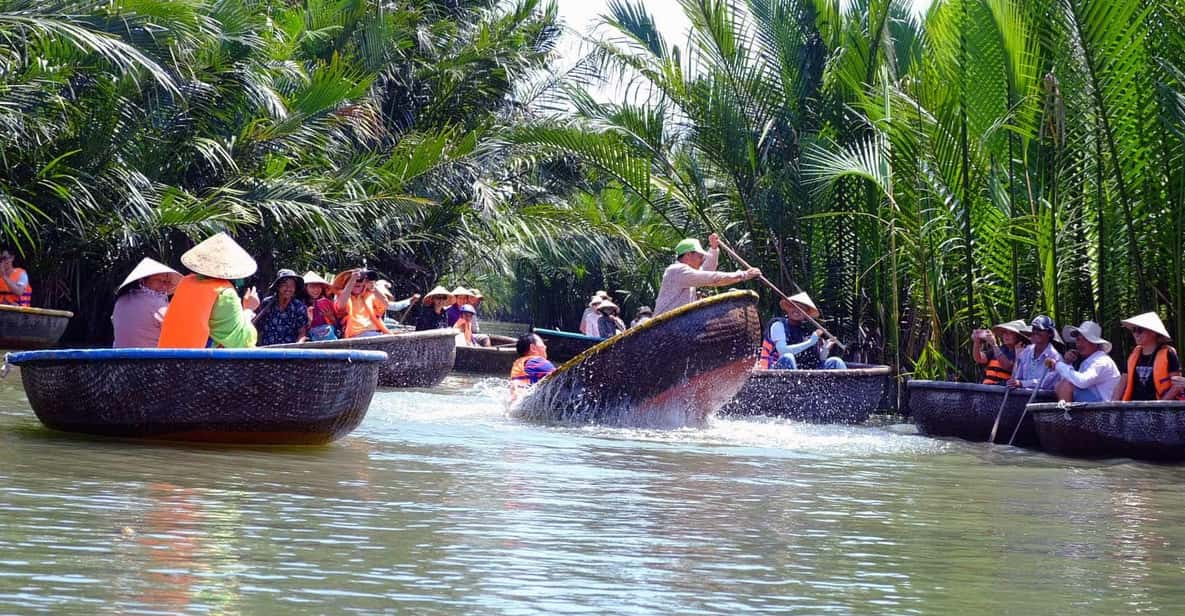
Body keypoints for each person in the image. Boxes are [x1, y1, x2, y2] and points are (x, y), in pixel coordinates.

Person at [158, 232, 260, 348]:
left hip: (172, 357)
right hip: (202, 362)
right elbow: (240, 341)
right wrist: (248, 310)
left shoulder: (185, 283)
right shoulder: (225, 294)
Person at [653, 233, 760, 315]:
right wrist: (743, 275)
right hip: (664, 327)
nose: (702, 260)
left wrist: (713, 248)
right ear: (689, 255)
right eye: (700, 256)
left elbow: (707, 271)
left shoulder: (686, 273)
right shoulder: (677, 271)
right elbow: (712, 279)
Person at [758, 292, 846, 370]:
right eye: (793, 306)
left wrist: (825, 349)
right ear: (788, 309)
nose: (796, 310)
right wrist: (811, 342)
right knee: (788, 358)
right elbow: (783, 351)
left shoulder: (807, 331)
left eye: (802, 308)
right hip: (777, 370)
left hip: (802, 374)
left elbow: (818, 359)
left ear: (806, 314)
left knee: (835, 361)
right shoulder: (778, 325)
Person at [112, 258, 182, 348]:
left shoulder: (120, 302)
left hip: (120, 360)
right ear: (142, 280)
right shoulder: (158, 305)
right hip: (153, 360)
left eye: (167, 282)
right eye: (159, 280)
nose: (164, 286)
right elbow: (180, 335)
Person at [1046, 320, 1121, 402]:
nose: (1079, 344)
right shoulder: (1087, 362)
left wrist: (1058, 365)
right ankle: (1067, 414)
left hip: (1103, 407)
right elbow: (1073, 380)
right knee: (1059, 385)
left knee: (1066, 385)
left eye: (1085, 340)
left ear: (1095, 343)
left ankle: (1065, 414)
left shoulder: (1101, 361)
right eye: (1078, 340)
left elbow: (1083, 381)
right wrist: (1068, 362)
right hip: (1093, 401)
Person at [1116, 312, 1181, 401]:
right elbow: (1122, 383)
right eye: (1133, 330)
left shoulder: (1168, 353)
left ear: (1153, 332)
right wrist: (1111, 405)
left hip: (1162, 409)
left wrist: (1160, 405)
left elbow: (1177, 386)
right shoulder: (1134, 355)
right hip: (1134, 408)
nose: (1136, 334)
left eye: (1140, 330)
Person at [253, 269, 309, 345]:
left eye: (292, 285)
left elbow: (302, 332)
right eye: (285, 285)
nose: (288, 288)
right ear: (278, 287)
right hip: (267, 350)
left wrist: (298, 345)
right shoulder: (267, 303)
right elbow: (257, 327)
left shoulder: (299, 307)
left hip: (289, 352)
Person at [333, 268, 392, 338]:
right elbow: (340, 305)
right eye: (356, 282)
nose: (358, 282)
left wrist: (372, 287)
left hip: (376, 333)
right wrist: (352, 279)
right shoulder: (342, 296)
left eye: (361, 281)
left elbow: (386, 303)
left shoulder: (370, 296)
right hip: (355, 336)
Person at [1008, 315, 1062, 390]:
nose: (1035, 332)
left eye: (1040, 329)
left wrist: (1022, 383)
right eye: (1034, 329)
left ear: (1050, 333)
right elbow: (1018, 376)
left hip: (1043, 398)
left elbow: (1047, 383)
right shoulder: (1026, 351)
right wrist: (1014, 382)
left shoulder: (1055, 357)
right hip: (1022, 395)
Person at [973, 320, 1028, 385]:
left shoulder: (1023, 351)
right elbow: (979, 359)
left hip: (1004, 390)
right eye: (1005, 332)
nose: (1006, 335)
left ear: (1019, 336)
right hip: (988, 388)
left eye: (1010, 333)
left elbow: (1008, 367)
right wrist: (977, 342)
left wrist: (994, 344)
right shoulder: (1001, 348)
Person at [509, 332, 556, 403]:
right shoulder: (536, 361)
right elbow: (558, 376)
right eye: (542, 343)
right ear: (533, 348)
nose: (545, 346)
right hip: (529, 403)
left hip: (518, 403)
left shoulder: (519, 363)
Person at [303, 272, 339, 341]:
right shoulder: (302, 305)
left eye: (318, 286)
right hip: (312, 338)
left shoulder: (327, 302)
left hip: (329, 336)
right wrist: (309, 320)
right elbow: (302, 330)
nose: (316, 290)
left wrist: (330, 316)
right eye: (312, 287)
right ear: (306, 288)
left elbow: (337, 325)